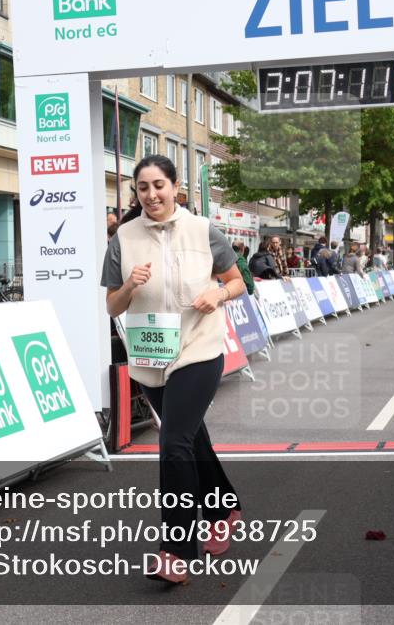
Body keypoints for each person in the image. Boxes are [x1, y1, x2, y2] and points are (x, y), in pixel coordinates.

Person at [101, 155, 244, 584]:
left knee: (174, 442)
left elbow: (238, 281)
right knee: (191, 438)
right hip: (151, 355)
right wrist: (130, 284)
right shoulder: (123, 237)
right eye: (143, 188)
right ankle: (223, 508)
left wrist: (218, 294)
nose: (151, 195)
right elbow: (112, 306)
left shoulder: (203, 230)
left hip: (199, 348)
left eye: (159, 185)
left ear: (175, 187)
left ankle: (176, 551)